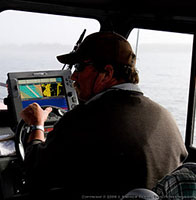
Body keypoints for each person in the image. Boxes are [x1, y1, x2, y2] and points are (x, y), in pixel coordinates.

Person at [20, 31, 188, 197]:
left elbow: (35, 175)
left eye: (80, 67)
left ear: (107, 73)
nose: (73, 76)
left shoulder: (82, 120)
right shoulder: (166, 118)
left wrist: (37, 125)